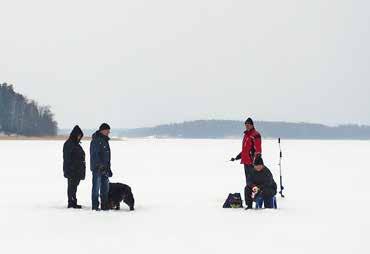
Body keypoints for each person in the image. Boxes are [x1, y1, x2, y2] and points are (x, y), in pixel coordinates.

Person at [231, 117, 262, 184]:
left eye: (248, 125)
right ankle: (248, 193)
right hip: (246, 161)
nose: (246, 127)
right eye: (245, 125)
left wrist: (257, 160)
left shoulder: (256, 135)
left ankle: (256, 193)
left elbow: (258, 149)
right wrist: (237, 157)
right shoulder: (246, 135)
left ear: (252, 125)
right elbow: (245, 150)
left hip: (252, 162)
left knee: (254, 180)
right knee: (248, 181)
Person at [90, 123, 113, 211]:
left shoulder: (105, 140)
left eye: (109, 131)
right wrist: (99, 166)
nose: (108, 132)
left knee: (105, 188)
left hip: (105, 169)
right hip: (97, 169)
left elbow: (107, 157)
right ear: (102, 130)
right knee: (96, 188)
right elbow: (94, 155)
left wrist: (108, 168)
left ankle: (104, 205)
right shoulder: (96, 140)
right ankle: (95, 206)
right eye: (107, 130)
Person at [63, 125, 86, 209]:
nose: (80, 137)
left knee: (74, 187)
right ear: (75, 135)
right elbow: (67, 158)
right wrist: (69, 169)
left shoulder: (75, 144)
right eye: (79, 135)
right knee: (71, 187)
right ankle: (71, 203)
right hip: (72, 170)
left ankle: (73, 202)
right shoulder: (69, 144)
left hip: (77, 170)